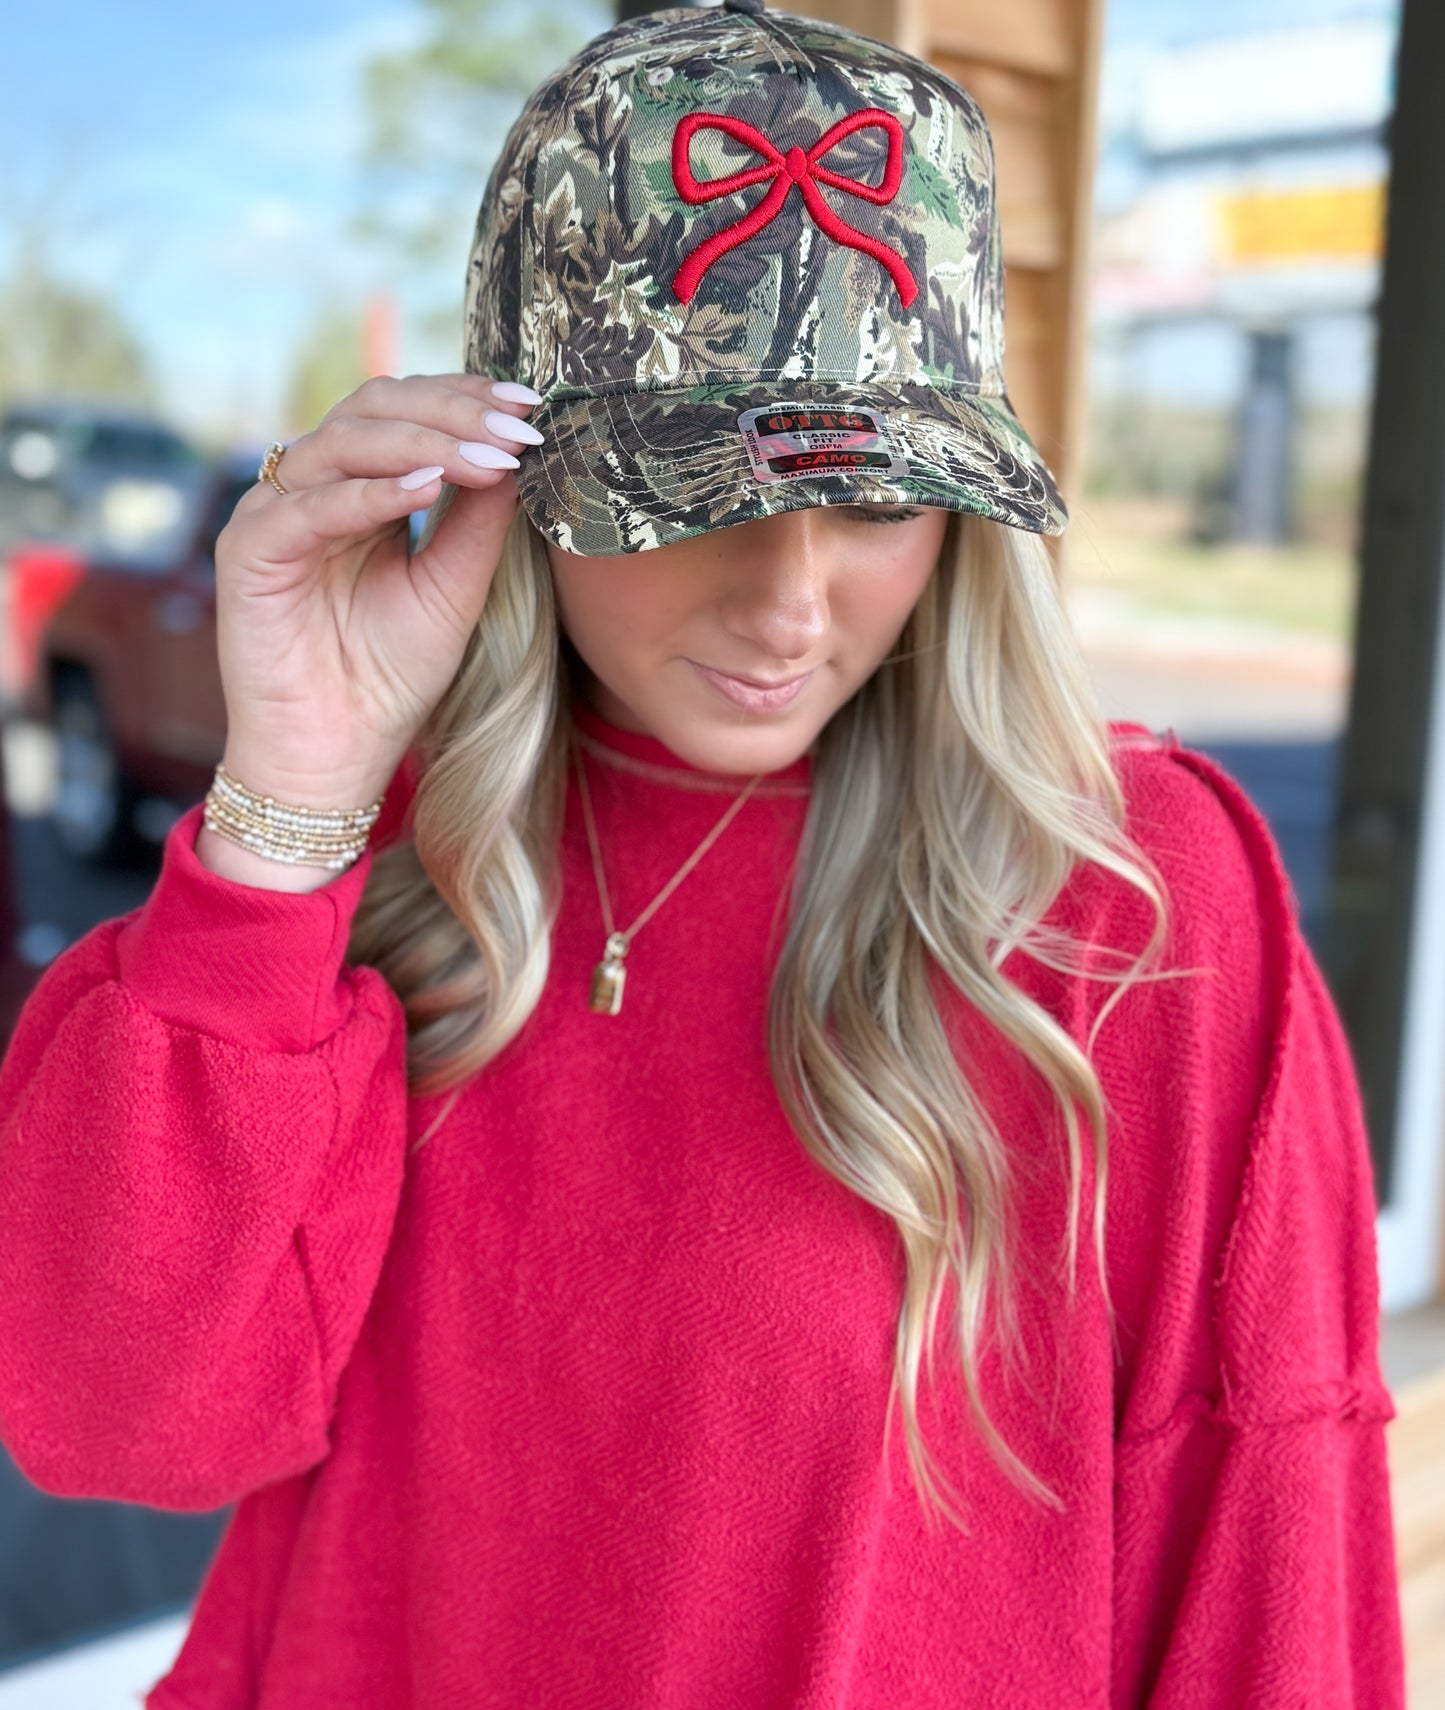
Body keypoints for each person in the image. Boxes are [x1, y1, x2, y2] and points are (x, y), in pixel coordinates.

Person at [0, 3, 1405, 1705]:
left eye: (879, 501)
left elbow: (1265, 1563)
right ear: (509, 470)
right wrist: (285, 799)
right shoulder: (374, 856)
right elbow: (117, 1425)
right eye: (702, 493)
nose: (790, 606)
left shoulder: (1129, 904)